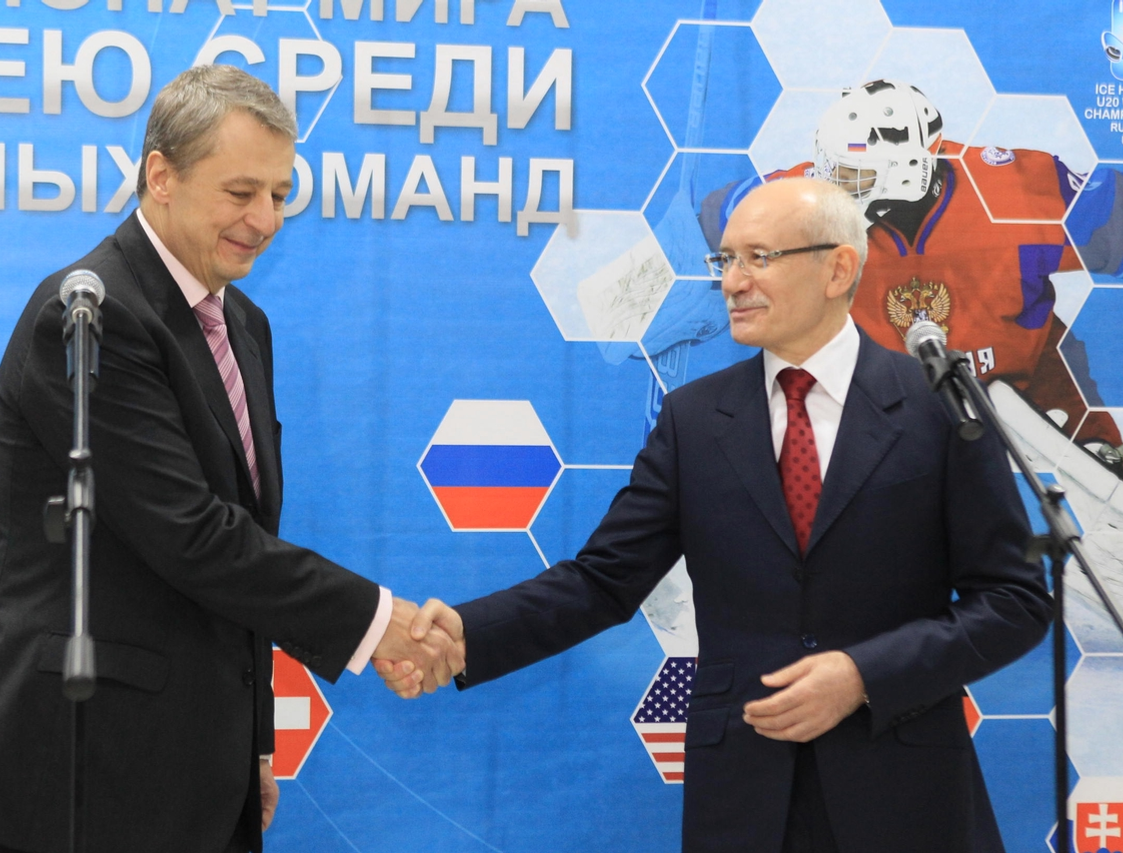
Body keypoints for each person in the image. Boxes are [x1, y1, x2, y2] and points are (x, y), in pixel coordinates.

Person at [381, 178, 1054, 852]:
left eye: (759, 258)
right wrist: (467, 634)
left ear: (838, 269)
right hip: (745, 796)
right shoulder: (696, 420)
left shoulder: (940, 406)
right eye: (726, 259)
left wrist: (863, 676)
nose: (732, 281)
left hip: (906, 796)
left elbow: (1013, 600)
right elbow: (601, 580)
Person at [0, 65, 461, 853]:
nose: (266, 218)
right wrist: (380, 623)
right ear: (161, 176)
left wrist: (251, 744)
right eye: (241, 191)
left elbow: (245, 542)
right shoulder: (88, 314)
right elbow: (194, 536)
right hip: (79, 780)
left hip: (197, 775)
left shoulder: (243, 322)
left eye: (280, 194)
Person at [695, 79, 1122, 455]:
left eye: (851, 174)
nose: (829, 182)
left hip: (1025, 397)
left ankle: (1095, 452)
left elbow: (1114, 226)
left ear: (907, 171)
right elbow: (702, 229)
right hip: (880, 416)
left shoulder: (1016, 190)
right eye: (829, 165)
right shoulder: (799, 201)